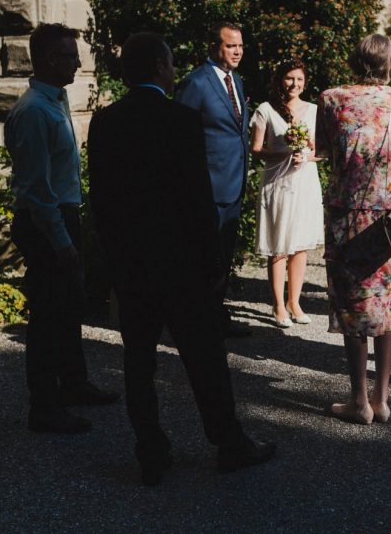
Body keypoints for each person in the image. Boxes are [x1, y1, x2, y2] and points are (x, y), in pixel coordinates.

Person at [88, 32, 276, 486]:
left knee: (138, 361)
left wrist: (112, 265)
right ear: (158, 66)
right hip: (181, 265)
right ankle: (228, 442)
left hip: (133, 266)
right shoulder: (181, 120)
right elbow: (197, 200)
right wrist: (213, 263)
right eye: (171, 63)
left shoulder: (104, 122)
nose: (175, 71)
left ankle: (150, 448)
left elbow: (102, 204)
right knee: (205, 359)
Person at [3, 23, 119, 435]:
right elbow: (36, 188)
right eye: (70, 56)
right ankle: (45, 407)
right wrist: (61, 241)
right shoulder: (35, 110)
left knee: (68, 308)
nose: (77, 62)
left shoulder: (55, 99)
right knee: (48, 316)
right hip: (45, 220)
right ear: (51, 60)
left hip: (61, 213)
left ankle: (73, 384)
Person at [315, 34, 391, 425]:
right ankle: (382, 399)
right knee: (386, 305)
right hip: (385, 216)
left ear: (356, 59)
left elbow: (325, 152)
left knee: (352, 305)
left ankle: (358, 400)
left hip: (344, 214)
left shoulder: (331, 98)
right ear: (387, 61)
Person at [175, 22, 252, 338]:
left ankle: (215, 318)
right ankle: (196, 324)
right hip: (207, 188)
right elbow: (181, 135)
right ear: (214, 46)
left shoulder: (235, 81)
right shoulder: (196, 82)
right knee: (204, 259)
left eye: (240, 46)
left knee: (222, 258)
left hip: (233, 185)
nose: (237, 51)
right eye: (231, 45)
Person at [250, 58, 325, 328]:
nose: (295, 84)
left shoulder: (315, 111)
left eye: (300, 79)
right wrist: (284, 151)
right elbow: (256, 149)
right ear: (280, 79)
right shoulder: (266, 110)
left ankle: (295, 301)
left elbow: (321, 151)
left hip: (304, 182)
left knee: (300, 245)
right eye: (290, 78)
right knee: (279, 244)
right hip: (278, 184)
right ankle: (278, 305)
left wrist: (307, 156)